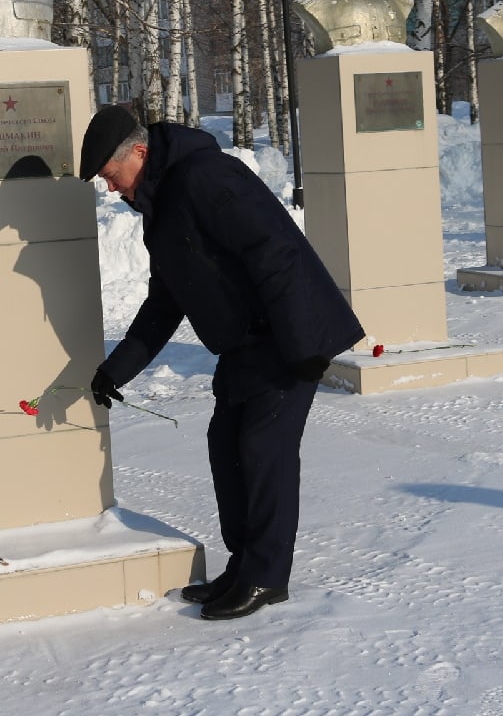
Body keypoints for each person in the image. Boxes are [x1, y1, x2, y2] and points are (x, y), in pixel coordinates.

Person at [78, 104, 364, 621]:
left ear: (139, 153)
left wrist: (301, 350)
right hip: (245, 344)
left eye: (111, 175)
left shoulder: (206, 177)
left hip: (286, 336)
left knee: (263, 451)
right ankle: (244, 563)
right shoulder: (160, 205)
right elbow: (165, 302)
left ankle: (266, 576)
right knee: (225, 445)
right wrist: (115, 369)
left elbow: (273, 252)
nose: (112, 188)